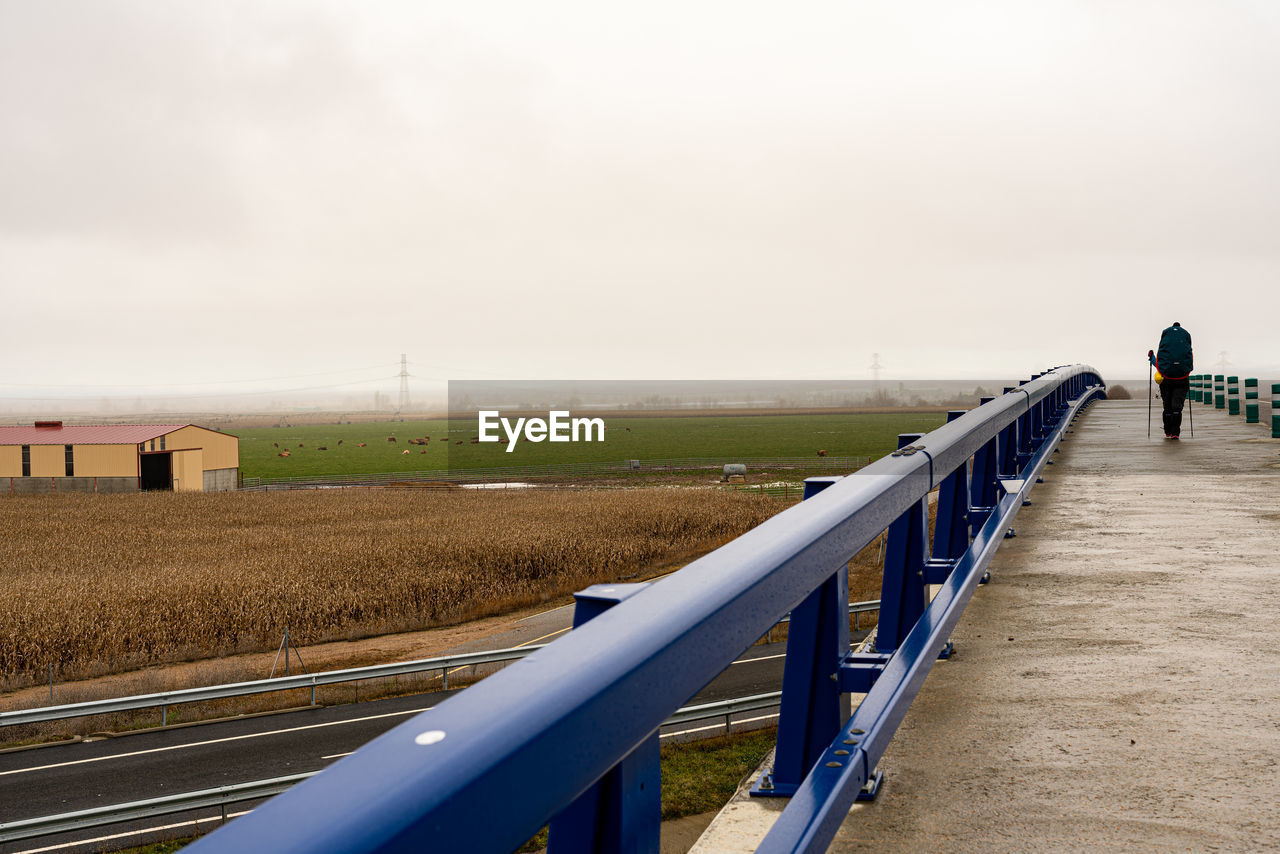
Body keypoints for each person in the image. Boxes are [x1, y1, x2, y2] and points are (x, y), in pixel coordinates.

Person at [1148, 321, 1193, 439]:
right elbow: (1190, 363)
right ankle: (1175, 433)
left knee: (1167, 407)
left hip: (1166, 380)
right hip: (1182, 379)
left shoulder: (1165, 339)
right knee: (1177, 407)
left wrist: (1151, 356)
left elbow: (1158, 364)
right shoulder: (1185, 339)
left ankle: (1167, 431)